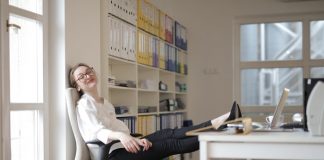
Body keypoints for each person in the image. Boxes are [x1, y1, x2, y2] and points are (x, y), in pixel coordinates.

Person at [69, 63, 231, 160]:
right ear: (77, 86)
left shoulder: (105, 103)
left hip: (123, 146)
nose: (87, 76)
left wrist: (135, 140)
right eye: (81, 76)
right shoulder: (83, 105)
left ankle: (215, 123)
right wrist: (122, 136)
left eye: (89, 71)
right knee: (170, 144)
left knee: (168, 133)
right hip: (111, 155)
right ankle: (219, 132)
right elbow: (96, 132)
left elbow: (120, 131)